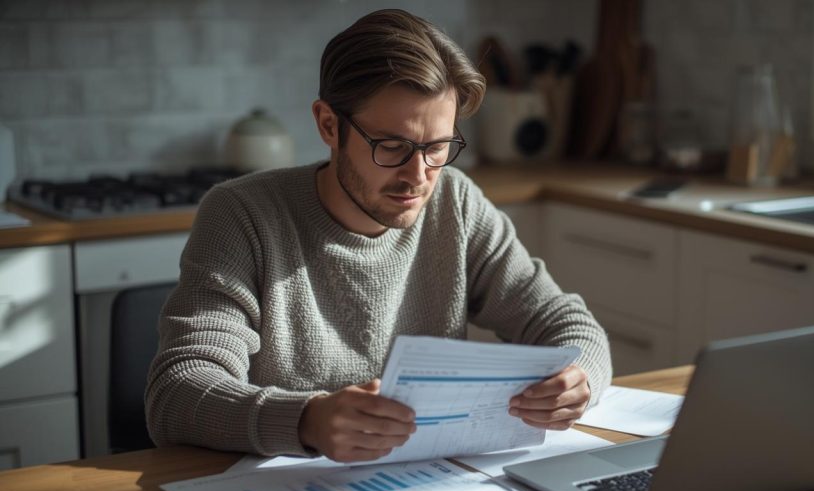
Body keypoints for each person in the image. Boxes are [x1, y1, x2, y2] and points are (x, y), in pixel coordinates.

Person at [145, 9, 611, 463]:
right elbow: (178, 391)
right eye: (393, 146)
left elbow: (567, 323)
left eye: (438, 148)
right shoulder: (243, 215)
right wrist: (306, 421)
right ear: (329, 125)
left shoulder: (456, 201)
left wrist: (578, 380)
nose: (419, 176)